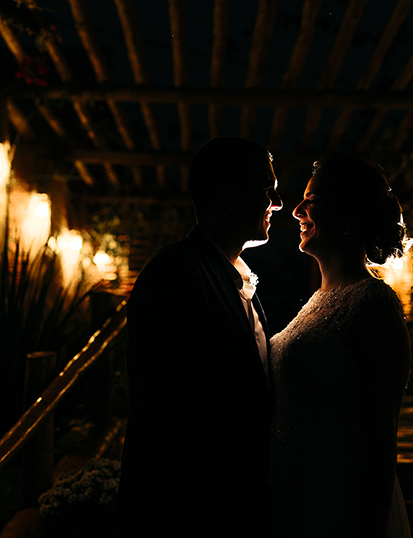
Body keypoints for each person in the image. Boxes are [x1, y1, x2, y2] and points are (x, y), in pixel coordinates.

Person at [114, 136, 282, 537]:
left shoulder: (232, 275)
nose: (276, 203)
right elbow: (170, 417)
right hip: (192, 513)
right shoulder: (173, 275)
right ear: (230, 197)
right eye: (267, 190)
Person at [269, 153, 412, 538]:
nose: (297, 211)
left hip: (337, 503)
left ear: (348, 216)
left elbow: (382, 437)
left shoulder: (373, 304)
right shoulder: (316, 300)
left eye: (311, 201)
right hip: (294, 495)